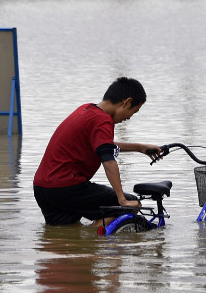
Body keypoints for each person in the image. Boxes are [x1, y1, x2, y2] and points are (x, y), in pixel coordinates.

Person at [33, 77, 162, 228]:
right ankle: (94, 237)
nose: (128, 118)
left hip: (43, 188)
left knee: (65, 232)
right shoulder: (103, 120)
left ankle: (81, 239)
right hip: (67, 187)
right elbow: (108, 160)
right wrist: (122, 199)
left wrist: (139, 147)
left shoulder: (85, 110)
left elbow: (101, 144)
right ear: (126, 102)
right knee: (131, 204)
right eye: (133, 112)